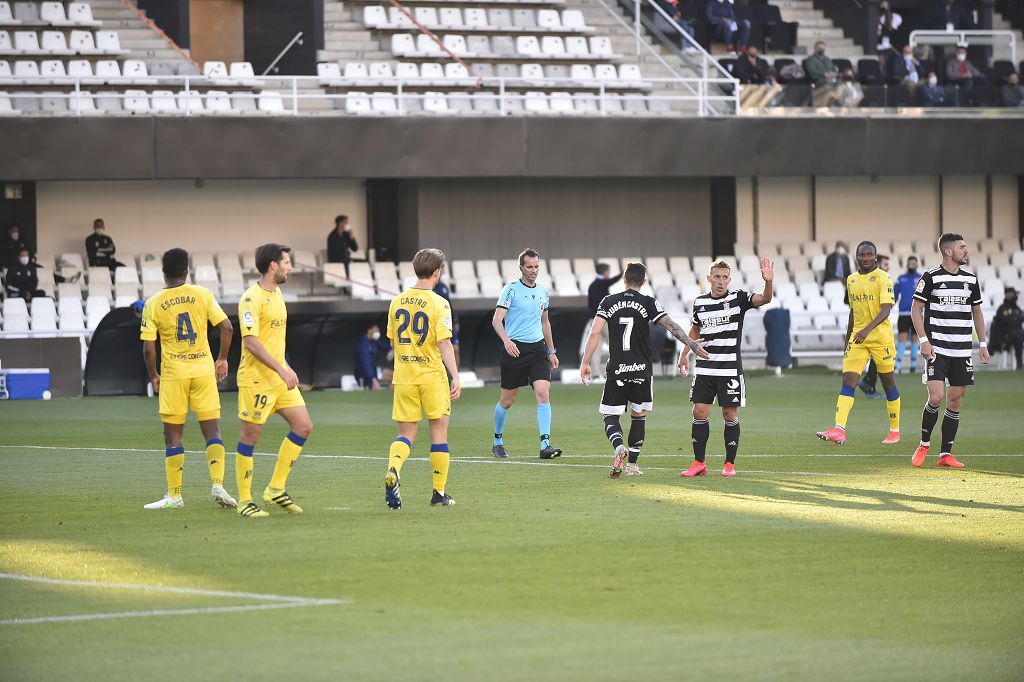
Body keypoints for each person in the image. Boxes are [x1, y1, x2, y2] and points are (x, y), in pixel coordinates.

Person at [580, 262, 709, 478]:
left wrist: (585, 362)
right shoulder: (649, 302)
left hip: (617, 370)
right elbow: (672, 326)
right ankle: (632, 466)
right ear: (644, 281)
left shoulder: (608, 301)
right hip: (642, 370)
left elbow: (594, 333)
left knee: (610, 416)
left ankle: (620, 447)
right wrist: (692, 345)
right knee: (638, 416)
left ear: (624, 279)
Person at [140, 248, 236, 511]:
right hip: (204, 371)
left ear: (163, 271)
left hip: (174, 375)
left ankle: (175, 495)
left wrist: (154, 376)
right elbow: (227, 327)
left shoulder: (154, 303)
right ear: (186, 270)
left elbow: (149, 348)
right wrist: (223, 359)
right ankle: (218, 484)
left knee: (173, 436)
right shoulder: (202, 294)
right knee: (212, 431)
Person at [234, 244, 314, 518]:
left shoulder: (278, 294)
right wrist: (281, 370)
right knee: (250, 437)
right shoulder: (250, 299)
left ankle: (275, 490)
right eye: (287, 262)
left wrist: (286, 367)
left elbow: (274, 342)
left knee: (303, 426)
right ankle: (244, 501)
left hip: (279, 379)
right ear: (273, 266)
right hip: (256, 380)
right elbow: (251, 342)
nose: (290, 267)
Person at [679, 257, 774, 477]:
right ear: (709, 279)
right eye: (716, 277)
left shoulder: (739, 298)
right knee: (699, 411)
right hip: (704, 368)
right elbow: (695, 331)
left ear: (729, 279)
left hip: (729, 369)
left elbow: (765, 298)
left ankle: (729, 464)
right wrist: (684, 353)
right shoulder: (699, 302)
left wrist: (768, 282)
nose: (720, 281)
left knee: (729, 413)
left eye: (724, 278)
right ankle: (699, 463)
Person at [383, 248, 461, 509]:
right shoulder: (439, 302)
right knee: (438, 434)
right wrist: (456, 376)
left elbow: (393, 341)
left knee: (405, 434)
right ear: (437, 272)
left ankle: (393, 469)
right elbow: (444, 343)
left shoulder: (397, 302)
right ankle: (438, 493)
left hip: (404, 377)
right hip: (431, 377)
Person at [911, 233, 989, 468]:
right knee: (936, 397)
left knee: (955, 401)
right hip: (937, 349)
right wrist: (924, 340)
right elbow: (916, 310)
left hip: (962, 350)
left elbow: (977, 313)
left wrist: (983, 344)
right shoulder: (931, 277)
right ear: (948, 251)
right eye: (962, 247)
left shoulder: (971, 280)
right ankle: (924, 443)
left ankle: (945, 454)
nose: (966, 250)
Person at [817, 241, 902, 446]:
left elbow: (885, 311)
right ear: (856, 257)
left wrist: (866, 330)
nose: (865, 258)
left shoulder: (883, 277)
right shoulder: (851, 280)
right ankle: (839, 429)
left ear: (875, 257)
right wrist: (848, 338)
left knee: (888, 382)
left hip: (880, 338)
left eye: (869, 255)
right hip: (858, 338)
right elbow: (853, 311)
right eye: (861, 255)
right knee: (848, 381)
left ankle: (894, 430)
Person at [491, 248, 561, 460]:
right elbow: (496, 320)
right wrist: (507, 341)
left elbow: (545, 321)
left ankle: (545, 445)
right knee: (507, 400)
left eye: (536, 266)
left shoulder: (542, 291)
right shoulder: (510, 290)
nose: (533, 270)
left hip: (538, 349)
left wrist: (551, 350)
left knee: (543, 393)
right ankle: (497, 441)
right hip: (515, 350)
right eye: (529, 266)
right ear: (521, 267)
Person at [858, 253, 890, 396]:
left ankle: (868, 382)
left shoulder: (883, 281)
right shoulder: (864, 281)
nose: (888, 268)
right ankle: (868, 383)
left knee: (876, 358)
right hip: (870, 326)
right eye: (885, 264)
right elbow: (849, 301)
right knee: (878, 357)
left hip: (878, 325)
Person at [893, 255, 922, 373]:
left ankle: (913, 366)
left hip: (918, 314)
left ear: (917, 264)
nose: (911, 265)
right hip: (904, 313)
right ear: (906, 264)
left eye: (913, 263)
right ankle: (898, 366)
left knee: (915, 339)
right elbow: (894, 296)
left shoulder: (921, 278)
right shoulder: (901, 279)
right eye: (909, 263)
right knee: (902, 338)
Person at [990, 287, 1022, 369]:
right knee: (1016, 335)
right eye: (1012, 293)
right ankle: (1012, 365)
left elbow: (1020, 317)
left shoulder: (1016, 307)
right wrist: (1016, 318)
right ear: (1007, 294)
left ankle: (1019, 365)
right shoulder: (1003, 308)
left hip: (1017, 334)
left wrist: (1016, 317)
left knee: (1018, 335)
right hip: (1004, 336)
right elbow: (1007, 321)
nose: (1013, 295)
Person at [433, 274, 461, 364]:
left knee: (455, 349)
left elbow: (449, 305)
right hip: (436, 323)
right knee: (440, 351)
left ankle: (456, 376)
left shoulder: (443, 287)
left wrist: (455, 320)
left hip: (448, 322)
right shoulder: (428, 288)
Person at [354, 322, 392, 389]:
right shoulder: (363, 344)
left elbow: (386, 347)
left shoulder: (374, 341)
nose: (378, 330)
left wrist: (393, 350)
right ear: (369, 330)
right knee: (373, 389)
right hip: (363, 374)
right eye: (376, 329)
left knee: (394, 377)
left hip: (373, 371)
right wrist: (373, 379)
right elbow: (366, 363)